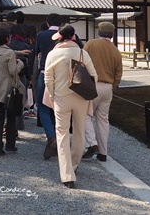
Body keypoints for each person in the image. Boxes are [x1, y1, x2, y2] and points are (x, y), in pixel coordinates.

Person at [44, 24, 97, 189]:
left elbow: (48, 79)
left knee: (62, 134)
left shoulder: (52, 54)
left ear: (60, 37)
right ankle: (74, 164)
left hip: (61, 97)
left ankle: (67, 175)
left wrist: (53, 96)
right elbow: (94, 75)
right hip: (81, 97)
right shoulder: (82, 52)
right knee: (80, 131)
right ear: (73, 36)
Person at [82, 21, 123, 162]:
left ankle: (92, 144)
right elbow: (118, 73)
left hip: (92, 85)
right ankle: (103, 153)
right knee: (103, 120)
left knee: (86, 115)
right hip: (107, 87)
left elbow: (81, 62)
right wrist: (114, 85)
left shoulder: (90, 44)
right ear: (112, 34)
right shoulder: (115, 50)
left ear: (99, 32)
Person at [0, 27, 23, 156]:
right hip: (8, 88)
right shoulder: (10, 53)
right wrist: (20, 64)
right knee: (11, 117)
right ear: (6, 38)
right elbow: (13, 71)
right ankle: (10, 145)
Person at [34, 12, 63, 159]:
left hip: (45, 73)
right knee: (57, 107)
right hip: (63, 76)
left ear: (47, 22)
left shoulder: (42, 35)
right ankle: (58, 138)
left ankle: (51, 137)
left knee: (42, 106)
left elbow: (36, 52)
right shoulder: (65, 36)